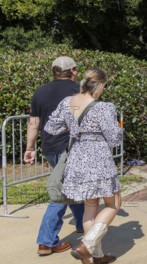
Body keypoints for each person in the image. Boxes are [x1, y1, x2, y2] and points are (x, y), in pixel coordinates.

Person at [44, 68, 123, 264]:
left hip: (77, 157)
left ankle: (95, 256)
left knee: (91, 205)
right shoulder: (104, 107)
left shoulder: (67, 103)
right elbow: (113, 138)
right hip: (98, 158)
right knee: (114, 203)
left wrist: (73, 129)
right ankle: (87, 245)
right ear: (100, 85)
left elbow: (51, 127)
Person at [24, 56, 84, 256]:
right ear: (73, 70)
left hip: (49, 147)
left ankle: (82, 223)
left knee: (71, 186)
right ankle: (46, 242)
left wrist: (30, 148)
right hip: (70, 147)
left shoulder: (40, 91)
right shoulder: (77, 91)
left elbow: (34, 123)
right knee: (60, 193)